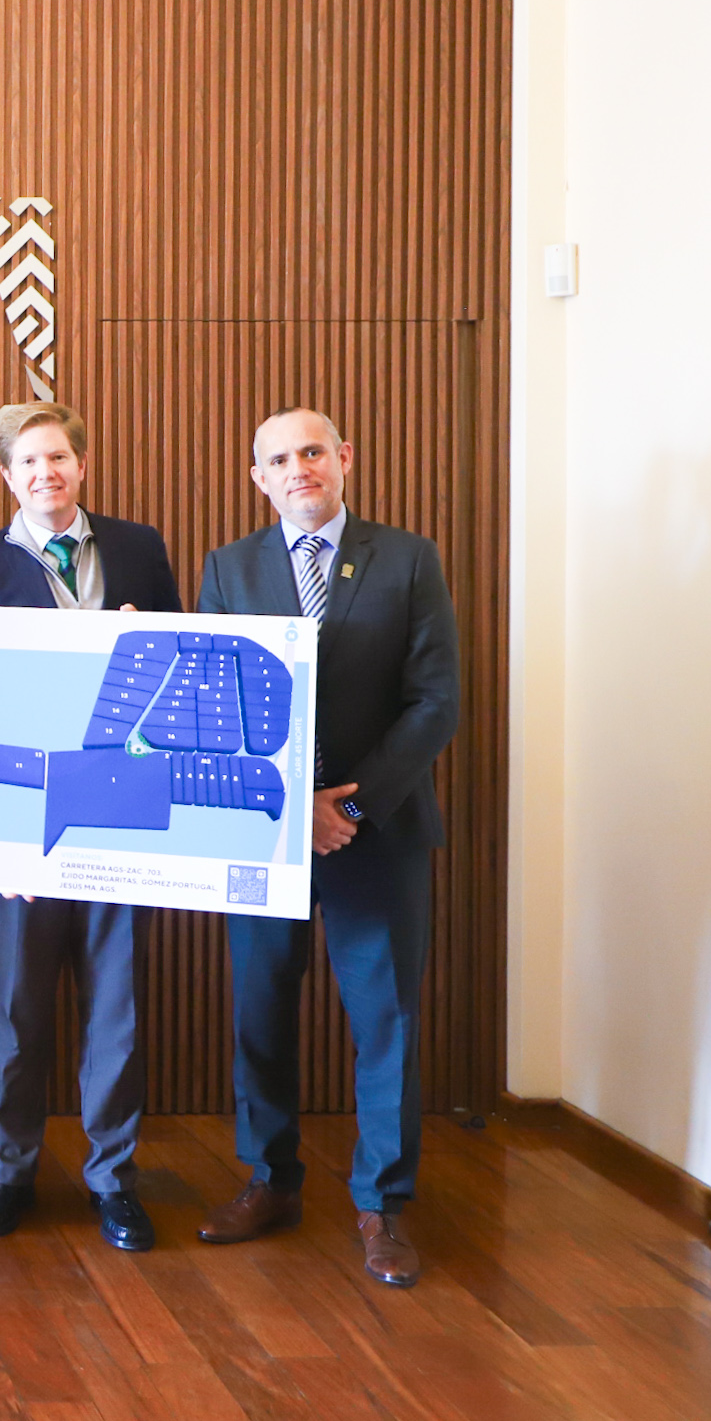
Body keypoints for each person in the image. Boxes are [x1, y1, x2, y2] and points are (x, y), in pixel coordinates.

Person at [196, 406, 460, 1287]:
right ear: (259, 478)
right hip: (265, 833)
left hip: (376, 833)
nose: (298, 467)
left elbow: (436, 701)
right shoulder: (229, 568)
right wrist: (291, 808)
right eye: (278, 458)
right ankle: (270, 1180)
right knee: (260, 1012)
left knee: (385, 1021)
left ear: (343, 457)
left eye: (312, 451)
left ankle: (381, 1204)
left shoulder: (409, 559)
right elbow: (217, 704)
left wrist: (352, 804)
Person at [0, 403, 181, 1253]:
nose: (45, 472)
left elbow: (180, 667)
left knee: (116, 1006)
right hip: (24, 821)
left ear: (82, 464)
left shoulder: (140, 548)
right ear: (6, 476)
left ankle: (112, 1179)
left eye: (58, 457)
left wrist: (148, 642)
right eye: (28, 461)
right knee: (20, 1008)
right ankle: (7, 1171)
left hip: (121, 810)